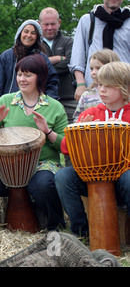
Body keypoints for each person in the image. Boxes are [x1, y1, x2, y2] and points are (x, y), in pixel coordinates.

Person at [0, 54, 68, 231]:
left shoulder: (54, 106)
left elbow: (65, 145)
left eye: (28, 75)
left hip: (42, 164)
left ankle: (55, 226)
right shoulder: (6, 100)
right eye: (19, 74)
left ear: (40, 77)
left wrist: (48, 132)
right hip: (6, 165)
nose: (22, 79)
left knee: (43, 185)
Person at [55, 61, 130, 238]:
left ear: (125, 87)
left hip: (123, 178)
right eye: (100, 85)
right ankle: (81, 232)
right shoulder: (89, 114)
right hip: (92, 177)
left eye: (108, 86)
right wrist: (79, 131)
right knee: (63, 176)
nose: (101, 90)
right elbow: (65, 148)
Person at [69, 0, 130, 101]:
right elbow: (77, 56)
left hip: (124, 86)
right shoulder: (88, 20)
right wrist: (80, 84)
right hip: (94, 87)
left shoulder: (128, 21)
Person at [0, 19, 59, 107]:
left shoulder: (43, 59)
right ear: (20, 33)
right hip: (9, 107)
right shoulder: (6, 56)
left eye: (33, 33)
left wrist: (48, 104)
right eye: (26, 31)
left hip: (35, 107)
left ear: (37, 37)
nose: (29, 35)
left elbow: (52, 82)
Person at [39, 7, 75, 123]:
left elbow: (70, 63)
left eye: (53, 24)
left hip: (69, 98)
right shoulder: (35, 44)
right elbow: (32, 67)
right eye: (46, 24)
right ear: (39, 24)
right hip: (43, 99)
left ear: (59, 23)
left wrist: (44, 67)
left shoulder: (69, 42)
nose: (49, 28)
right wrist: (58, 58)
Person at [72, 49, 120, 122]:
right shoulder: (86, 95)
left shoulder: (121, 93)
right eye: (91, 69)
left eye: (99, 68)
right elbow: (77, 119)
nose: (93, 72)